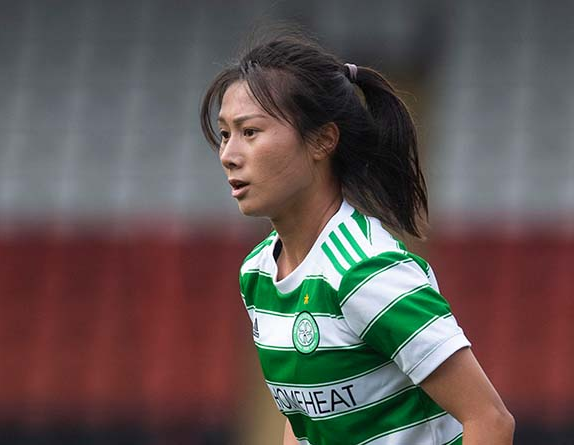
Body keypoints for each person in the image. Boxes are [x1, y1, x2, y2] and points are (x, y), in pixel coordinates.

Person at [199, 31, 514, 445]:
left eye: (250, 132)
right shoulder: (257, 274)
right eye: (225, 134)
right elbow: (305, 421)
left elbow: (490, 421)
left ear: (322, 140)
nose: (228, 155)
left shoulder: (367, 271)